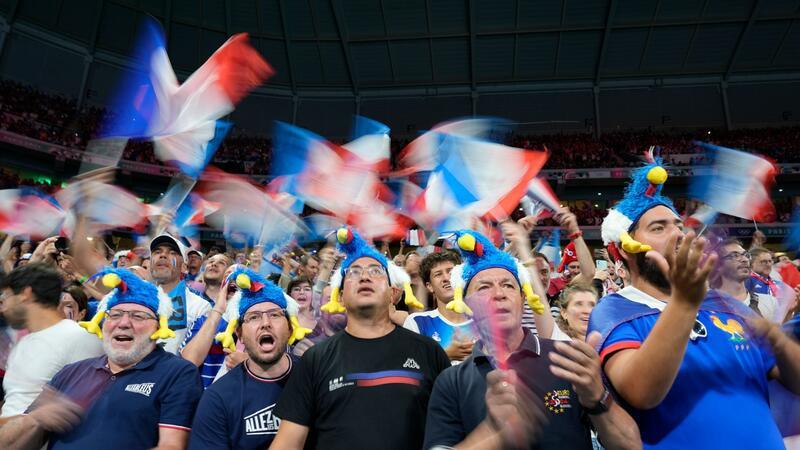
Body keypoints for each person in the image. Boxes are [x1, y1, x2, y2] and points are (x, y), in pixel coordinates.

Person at [589, 157, 800, 449]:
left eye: (678, 224)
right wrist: (684, 304)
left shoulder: (725, 304)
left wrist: (779, 340)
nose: (677, 233)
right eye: (659, 228)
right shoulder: (615, 311)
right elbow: (642, 392)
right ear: (625, 249)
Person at [423, 230, 641, 450]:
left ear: (522, 299)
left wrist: (598, 398)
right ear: (466, 304)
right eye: (484, 287)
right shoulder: (451, 382)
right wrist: (491, 434)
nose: (499, 294)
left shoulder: (568, 360)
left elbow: (630, 445)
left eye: (508, 285)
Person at [271, 227, 451, 450]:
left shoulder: (428, 351)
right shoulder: (314, 359)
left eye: (376, 271)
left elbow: (452, 430)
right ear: (341, 297)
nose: (364, 276)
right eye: (353, 272)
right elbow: (288, 443)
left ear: (394, 293)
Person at [0, 268, 203, 450]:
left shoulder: (177, 372)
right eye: (114, 315)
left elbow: (172, 446)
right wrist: (35, 420)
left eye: (138, 316)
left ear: (158, 328)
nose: (123, 323)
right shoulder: (71, 372)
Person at [189, 268, 297, 450]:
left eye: (275, 314)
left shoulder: (314, 377)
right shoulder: (217, 398)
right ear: (239, 334)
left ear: (290, 328)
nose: (265, 323)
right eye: (253, 317)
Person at [0, 263, 103, 422]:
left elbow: (84, 410)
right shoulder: (23, 343)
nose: (3, 307)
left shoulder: (78, 337)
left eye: (6, 297)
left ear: (25, 294)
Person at [404, 251, 476, 363]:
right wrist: (446, 355)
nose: (446, 278)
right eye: (438, 274)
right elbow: (410, 365)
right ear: (430, 286)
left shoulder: (484, 320)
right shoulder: (417, 322)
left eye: (450, 271)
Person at [149, 234, 212, 354]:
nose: (162, 255)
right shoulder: (136, 300)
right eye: (157, 252)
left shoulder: (200, 307)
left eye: (172, 253)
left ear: (184, 267)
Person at [712, 239, 779, 321]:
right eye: (735, 255)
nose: (745, 259)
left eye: (746, 255)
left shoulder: (770, 302)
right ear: (717, 265)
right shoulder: (706, 306)